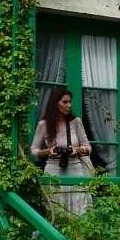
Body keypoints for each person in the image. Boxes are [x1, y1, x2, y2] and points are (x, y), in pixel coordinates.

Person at [31, 86, 94, 218]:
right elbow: (34, 150)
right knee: (54, 209)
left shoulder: (76, 122)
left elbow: (88, 147)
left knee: (80, 210)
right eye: (65, 102)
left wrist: (77, 150)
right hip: (53, 171)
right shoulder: (44, 124)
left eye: (70, 102)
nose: (69, 105)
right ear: (55, 104)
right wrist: (49, 151)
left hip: (76, 170)